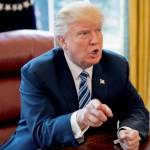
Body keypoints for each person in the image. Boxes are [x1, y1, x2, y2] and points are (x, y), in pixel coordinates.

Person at [1, 1, 149, 150]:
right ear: (63, 41)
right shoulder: (38, 73)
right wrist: (80, 118)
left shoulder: (116, 65)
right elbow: (41, 133)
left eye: (98, 30)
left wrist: (128, 130)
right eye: (84, 33)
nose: (95, 40)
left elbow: (136, 109)